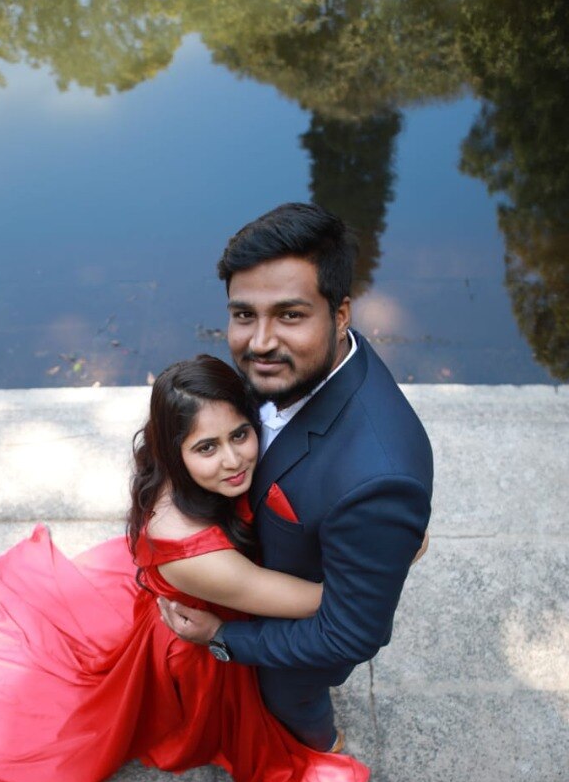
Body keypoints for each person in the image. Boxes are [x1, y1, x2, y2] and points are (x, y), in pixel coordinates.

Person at [0, 355, 370, 782]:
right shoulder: (192, 550)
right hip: (200, 650)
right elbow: (318, 602)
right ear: (177, 452)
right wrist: (385, 555)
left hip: (211, 601)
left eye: (240, 434)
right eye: (207, 448)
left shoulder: (181, 463)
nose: (233, 460)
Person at [159, 203, 433, 753]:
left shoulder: (378, 479)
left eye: (289, 315)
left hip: (293, 647)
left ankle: (317, 752)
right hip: (257, 581)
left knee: (290, 706)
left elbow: (350, 633)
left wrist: (223, 638)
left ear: (340, 314)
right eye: (244, 315)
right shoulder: (284, 368)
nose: (259, 342)